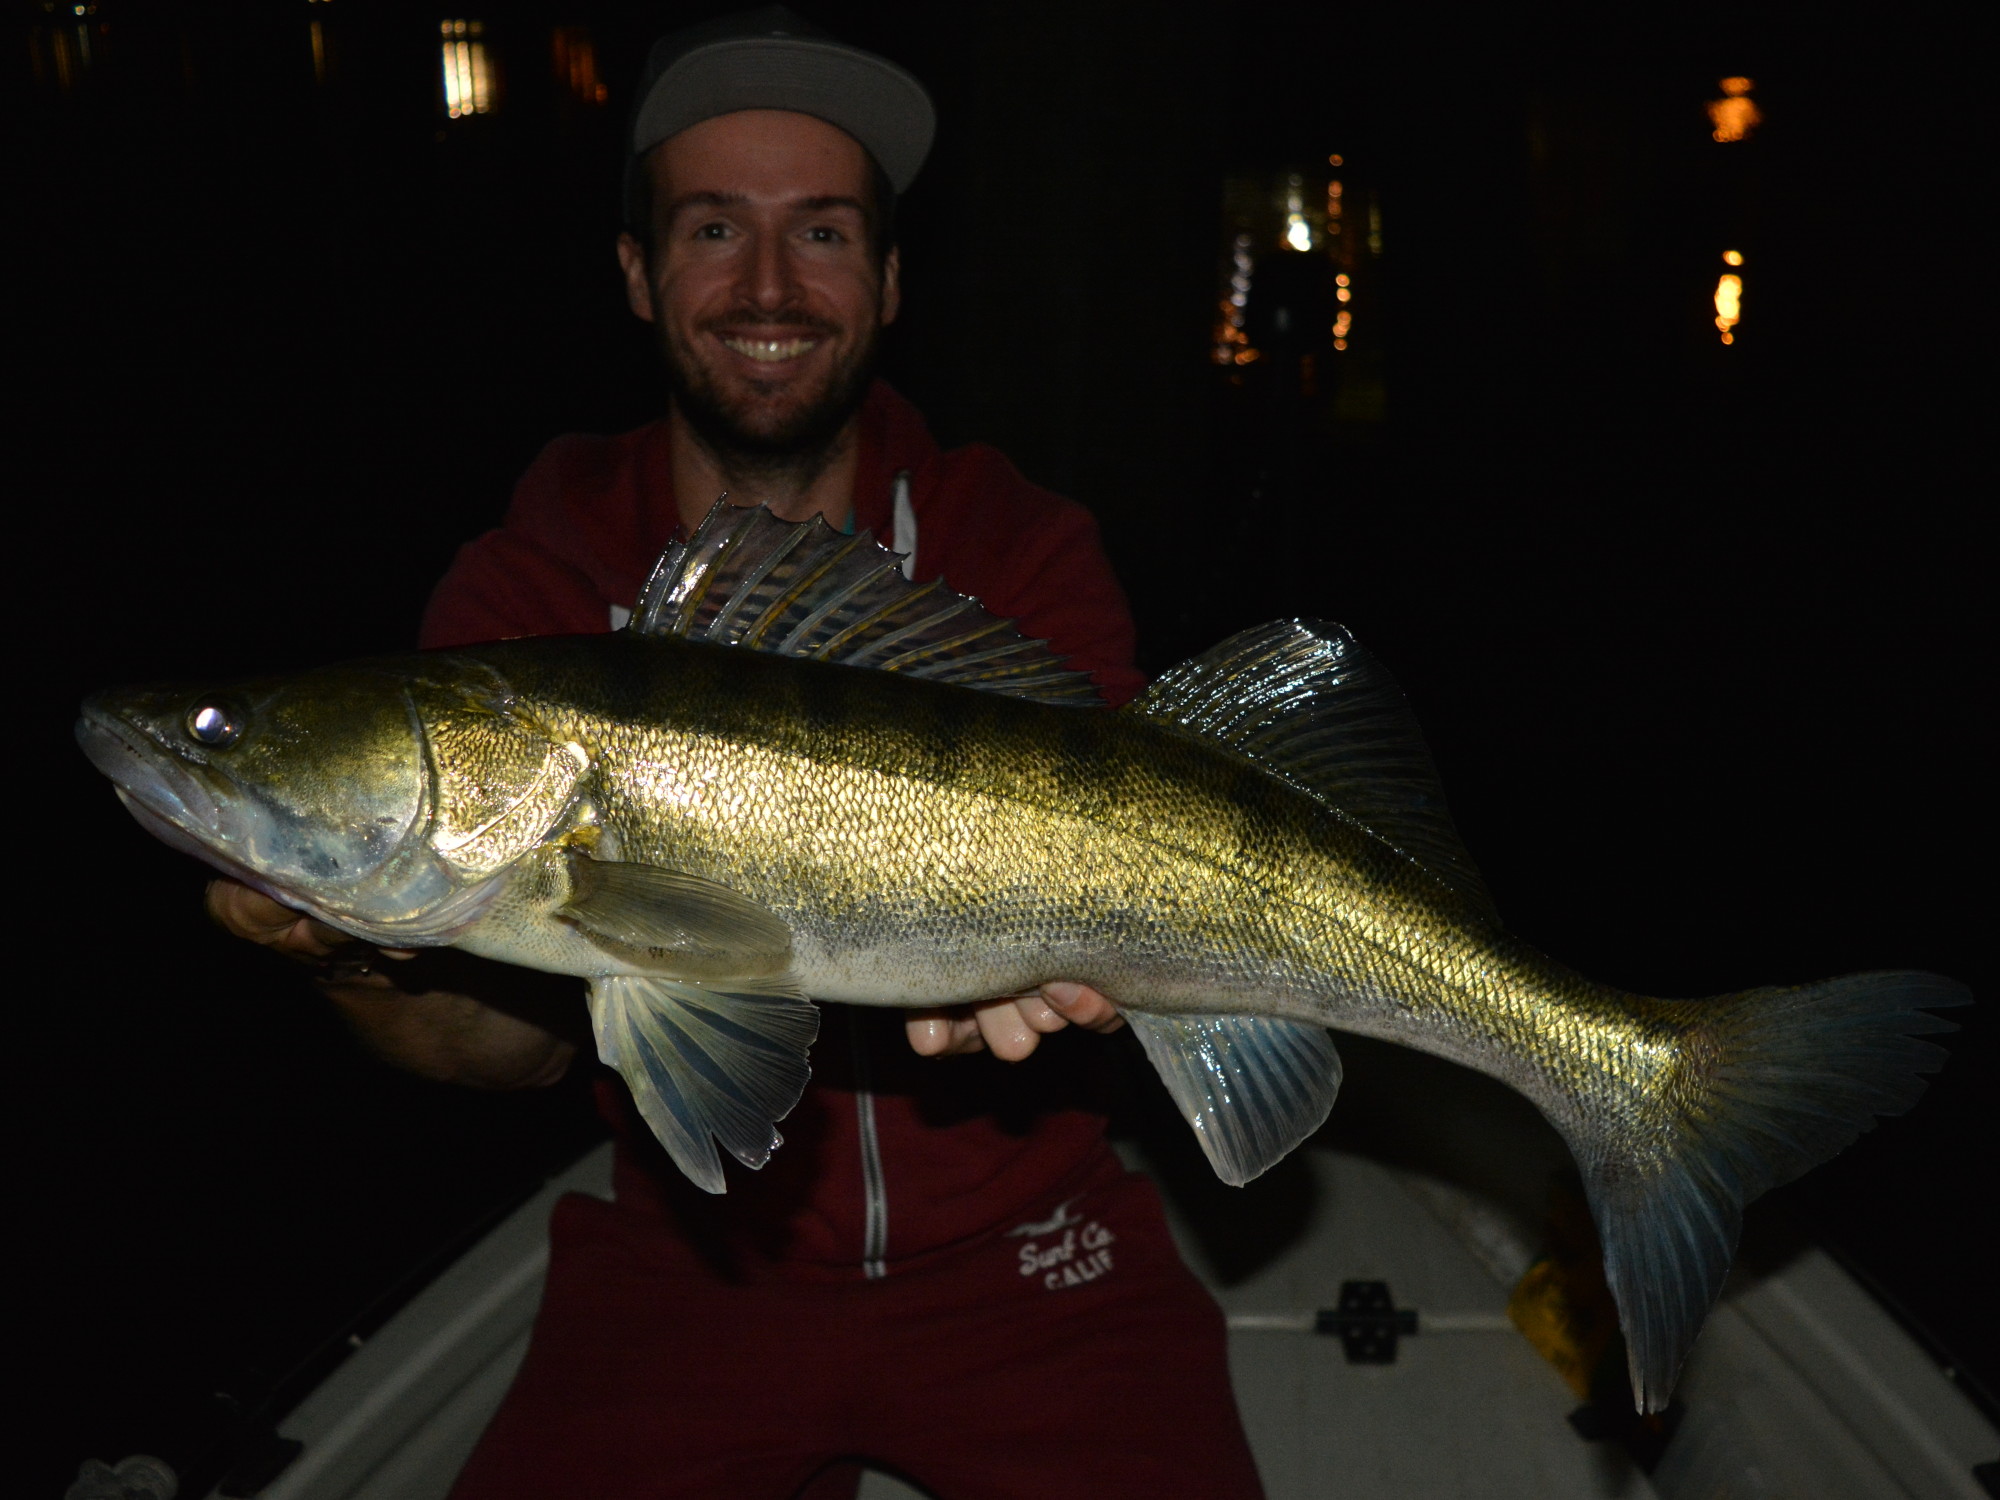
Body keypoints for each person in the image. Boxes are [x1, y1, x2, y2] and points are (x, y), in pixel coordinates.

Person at [209, 10, 1265, 1497]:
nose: (770, 287)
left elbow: (1137, 843)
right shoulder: (524, 605)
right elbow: (507, 1048)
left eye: (822, 231)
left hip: (1029, 1252)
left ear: (891, 284)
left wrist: (1090, 972)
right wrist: (343, 943)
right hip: (691, 1254)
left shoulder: (1015, 544)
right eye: (715, 228)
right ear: (639, 275)